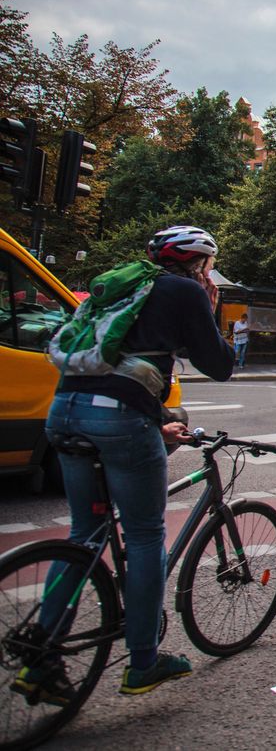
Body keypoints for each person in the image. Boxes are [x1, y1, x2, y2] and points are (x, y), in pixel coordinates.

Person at [27, 226, 234, 703]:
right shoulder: (184, 291)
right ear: (199, 265)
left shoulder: (121, 286)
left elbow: (116, 363)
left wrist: (156, 421)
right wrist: (210, 306)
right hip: (119, 421)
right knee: (144, 537)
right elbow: (220, 365)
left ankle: (41, 651)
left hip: (64, 412)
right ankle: (143, 662)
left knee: (83, 535)